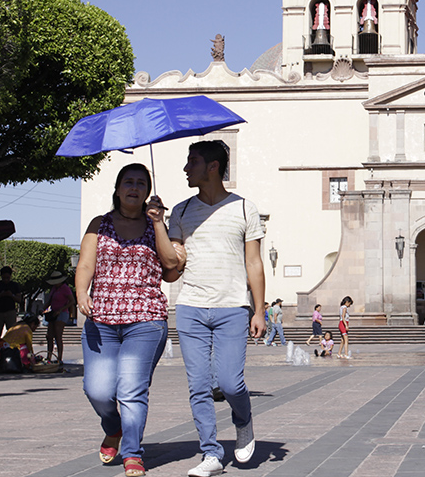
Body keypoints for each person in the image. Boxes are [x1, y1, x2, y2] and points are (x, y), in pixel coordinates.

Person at [168, 140, 266, 476]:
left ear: (213, 167)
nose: (185, 169)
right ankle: (211, 453)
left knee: (230, 383)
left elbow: (254, 263)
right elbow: (172, 267)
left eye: (191, 162)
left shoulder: (243, 209)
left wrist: (259, 310)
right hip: (191, 308)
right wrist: (156, 224)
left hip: (232, 307)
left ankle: (244, 420)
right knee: (198, 386)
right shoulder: (179, 212)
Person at [76, 163, 180, 477]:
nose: (134, 188)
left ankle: (133, 453)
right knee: (97, 390)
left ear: (148, 191)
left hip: (145, 320)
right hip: (101, 320)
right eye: (128, 182)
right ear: (118, 189)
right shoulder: (100, 224)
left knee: (132, 390)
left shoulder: (157, 225)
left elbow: (172, 266)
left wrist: (159, 224)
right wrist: (82, 292)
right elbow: (84, 265)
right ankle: (114, 426)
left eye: (140, 183)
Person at [41, 270, 75, 365]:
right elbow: (49, 301)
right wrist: (43, 308)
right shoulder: (54, 289)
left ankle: (59, 358)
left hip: (62, 313)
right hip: (53, 313)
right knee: (49, 336)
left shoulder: (65, 288)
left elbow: (72, 301)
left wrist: (61, 309)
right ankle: (49, 356)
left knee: (58, 335)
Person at [0, 266, 23, 341]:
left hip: (10, 311)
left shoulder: (14, 285)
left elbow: (19, 299)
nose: (6, 280)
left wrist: (11, 295)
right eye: (4, 278)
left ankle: (10, 349)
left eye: (7, 278)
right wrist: (1, 295)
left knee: (11, 332)